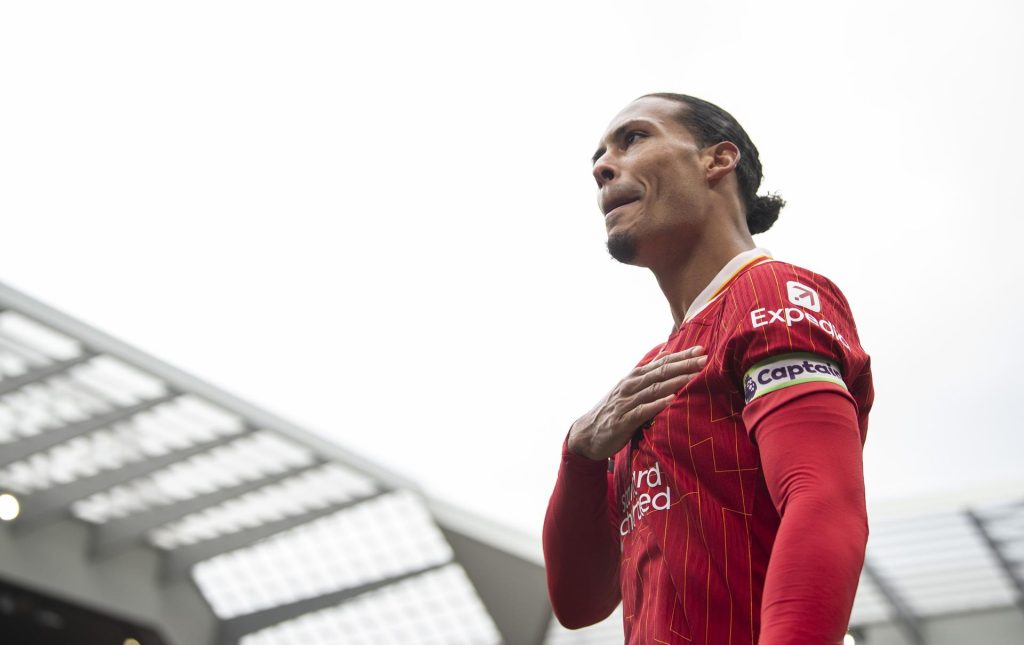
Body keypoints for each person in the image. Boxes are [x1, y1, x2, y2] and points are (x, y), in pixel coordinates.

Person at [543, 93, 874, 644]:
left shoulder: (771, 294)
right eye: (597, 158)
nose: (602, 168)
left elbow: (822, 501)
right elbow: (579, 602)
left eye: (633, 138)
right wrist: (579, 453)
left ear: (718, 160)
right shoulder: (650, 377)